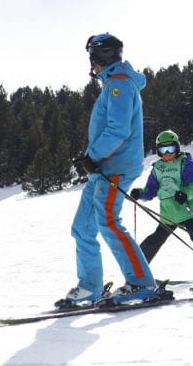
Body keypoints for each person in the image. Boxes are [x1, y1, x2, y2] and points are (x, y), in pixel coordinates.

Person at [58, 32, 158, 307]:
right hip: (102, 168)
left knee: (109, 222)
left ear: (99, 57)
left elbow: (118, 130)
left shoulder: (119, 85)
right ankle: (90, 286)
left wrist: (93, 155)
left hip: (115, 167)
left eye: (92, 57)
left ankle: (141, 282)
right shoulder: (113, 84)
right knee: (82, 228)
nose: (91, 64)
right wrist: (92, 159)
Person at [130, 130, 193, 278]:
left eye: (171, 149)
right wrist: (140, 194)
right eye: (163, 150)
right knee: (156, 239)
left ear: (178, 148)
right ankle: (138, 268)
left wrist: (185, 194)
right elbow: (151, 190)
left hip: (186, 209)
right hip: (167, 213)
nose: (168, 153)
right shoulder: (157, 168)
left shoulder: (184, 162)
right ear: (158, 151)